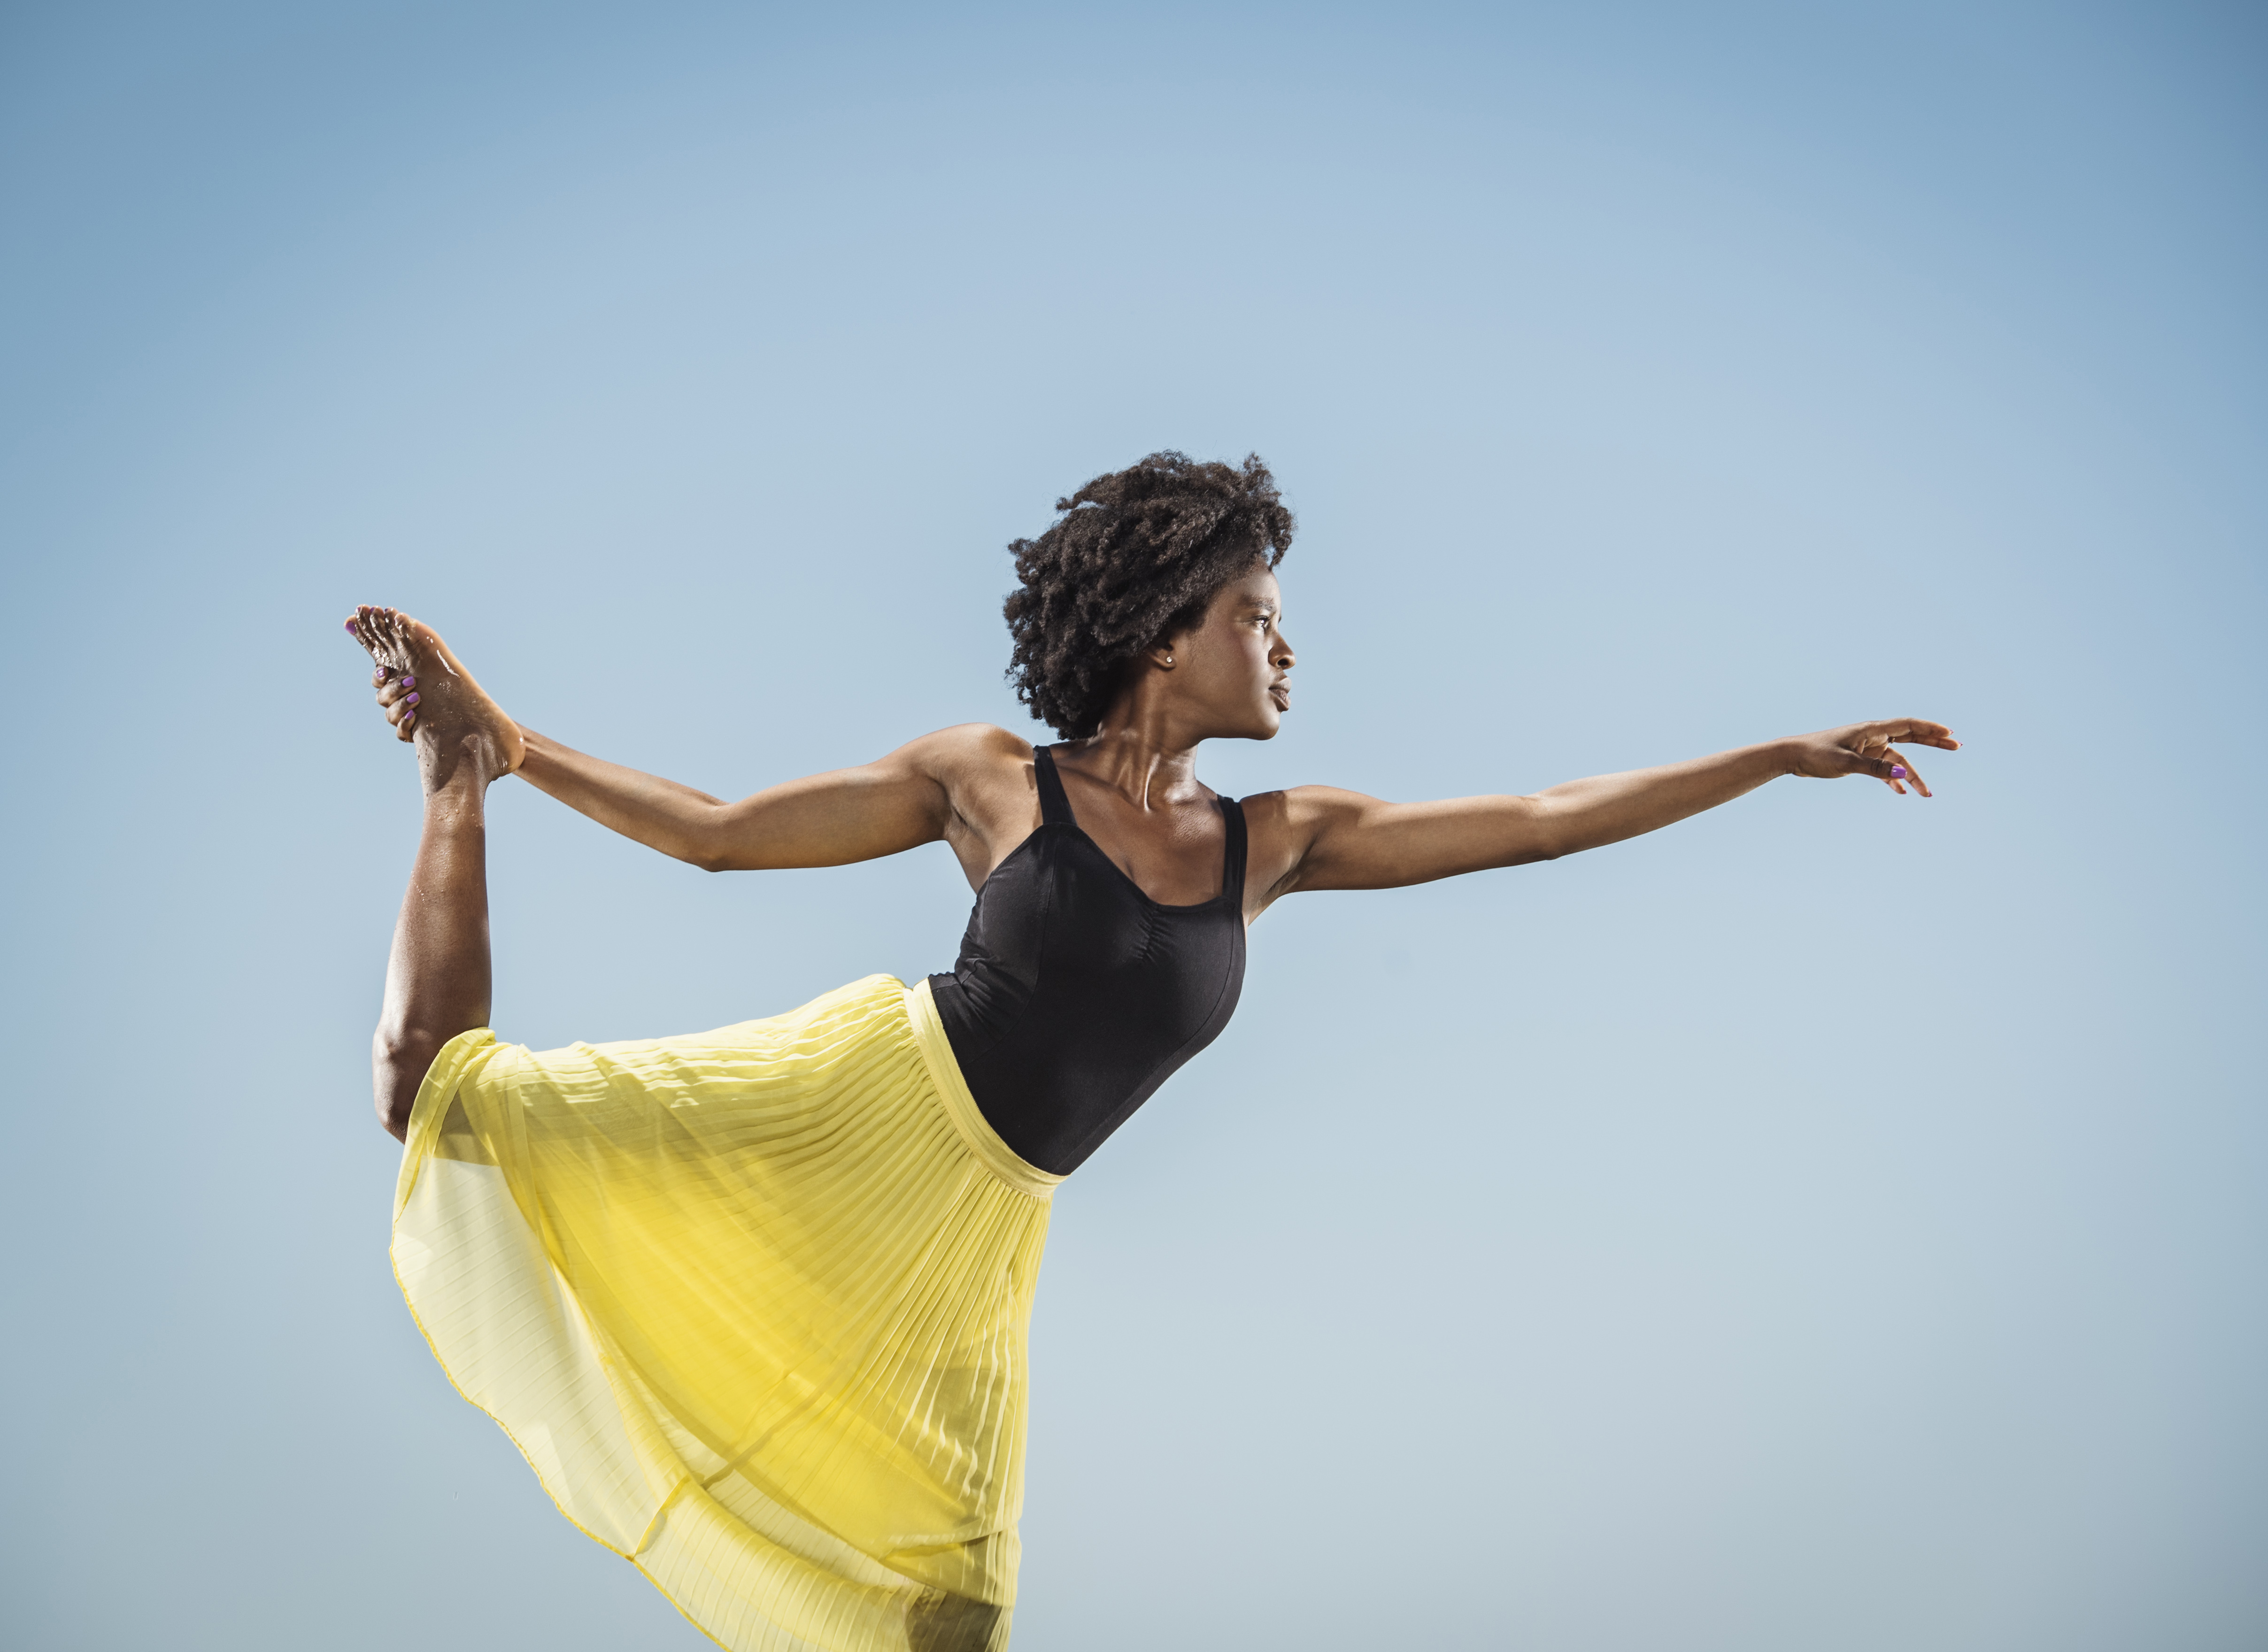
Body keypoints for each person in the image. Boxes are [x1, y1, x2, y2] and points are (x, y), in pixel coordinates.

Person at [351, 451, 1955, 1652]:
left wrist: (1773, 758)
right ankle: (450, 788)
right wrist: (508, 746)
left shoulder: (1280, 841)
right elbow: (714, 836)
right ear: (1164, 632)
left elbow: (1538, 826)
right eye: (1260, 616)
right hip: (861, 1104)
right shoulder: (988, 778)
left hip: (980, 1234)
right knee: (440, 1099)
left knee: (953, 1613)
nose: (1287, 650)